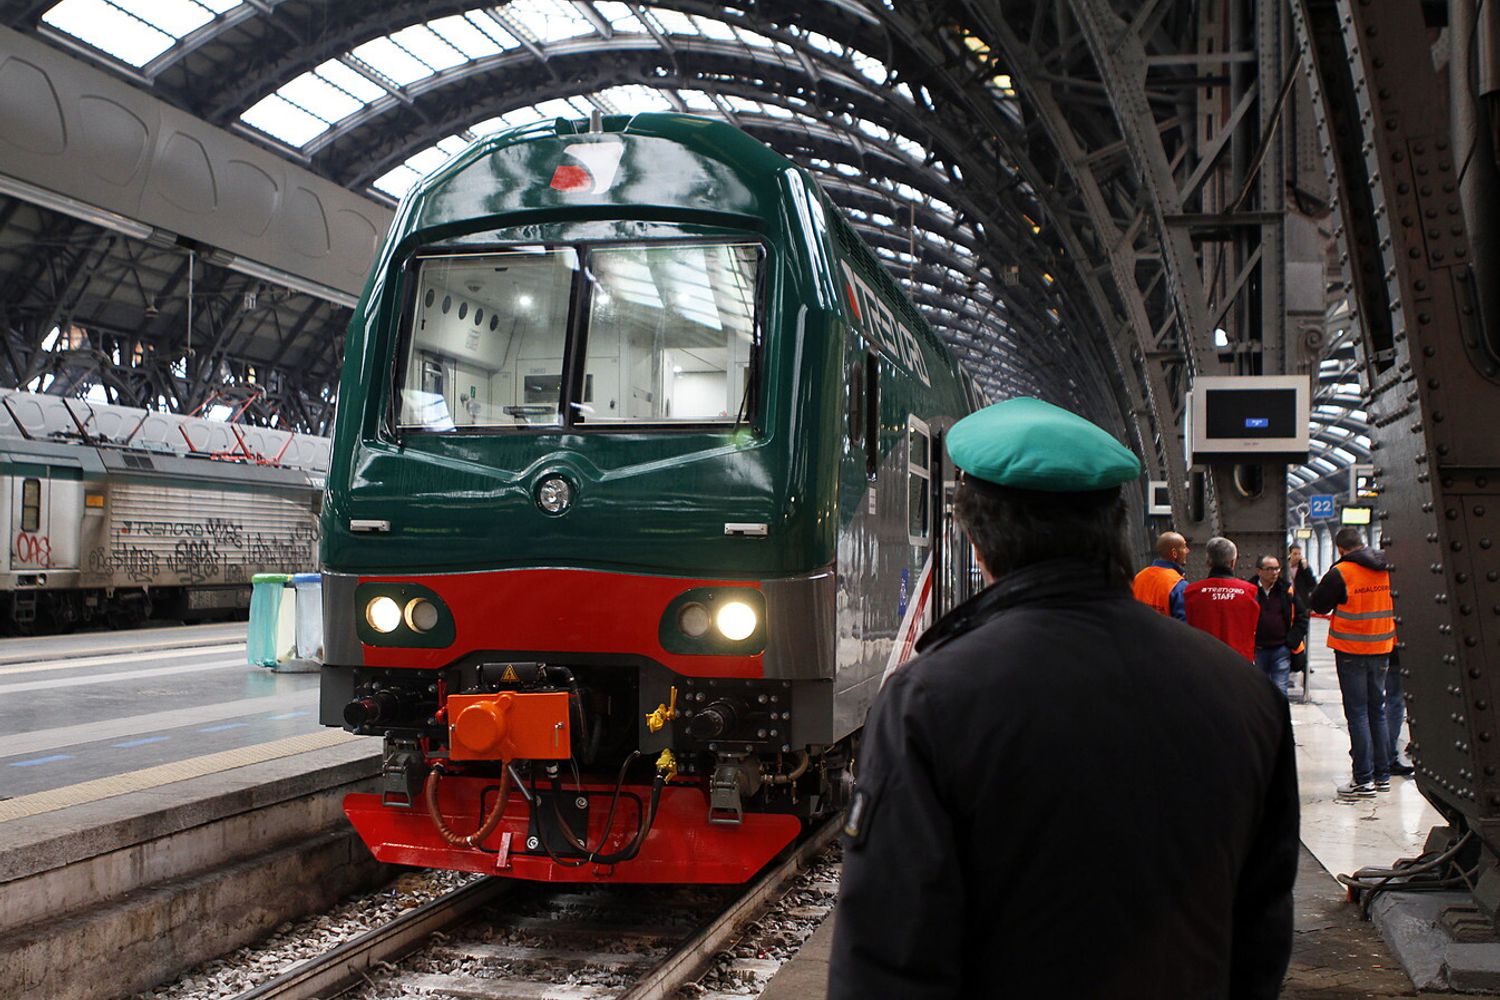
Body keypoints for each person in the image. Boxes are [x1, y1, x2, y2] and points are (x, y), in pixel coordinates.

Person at [829, 397, 1297, 999]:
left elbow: (888, 959)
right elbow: (1261, 940)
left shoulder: (929, 701)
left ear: (977, 541)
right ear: (1115, 531)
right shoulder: (1248, 698)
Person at [1307, 526, 1395, 799]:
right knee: (1377, 711)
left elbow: (1319, 605)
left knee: (1357, 714)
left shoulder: (1341, 572)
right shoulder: (1387, 566)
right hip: (1382, 648)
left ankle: (1363, 779)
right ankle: (1382, 776)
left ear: (1341, 549)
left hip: (1351, 651)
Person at [1183, 537, 1261, 661]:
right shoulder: (1250, 592)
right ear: (1233, 562)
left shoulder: (1191, 592)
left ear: (1208, 561)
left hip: (1203, 661)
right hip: (1240, 663)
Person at [1248, 554, 1307, 696]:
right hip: (1258, 650)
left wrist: (1291, 641)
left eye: (1276, 569)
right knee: (1259, 691)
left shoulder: (1286, 590)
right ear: (1259, 571)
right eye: (1269, 569)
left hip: (1281, 649)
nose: (1274, 573)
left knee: (1280, 691)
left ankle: (1280, 718)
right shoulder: (1249, 591)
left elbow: (1302, 617)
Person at [1132, 531, 1189, 620]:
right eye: (1184, 547)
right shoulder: (1178, 584)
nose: (1187, 551)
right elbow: (1183, 624)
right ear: (1174, 553)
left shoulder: (1139, 577)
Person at [1285, 544, 1319, 690]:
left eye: (1299, 553)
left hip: (1301, 607)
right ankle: (1292, 671)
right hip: (1287, 606)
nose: (1297, 556)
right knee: (1290, 641)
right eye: (1295, 553)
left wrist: (1305, 569)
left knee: (1301, 640)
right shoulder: (1283, 566)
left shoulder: (1304, 568)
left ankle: (1303, 664)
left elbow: (1312, 584)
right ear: (1289, 554)